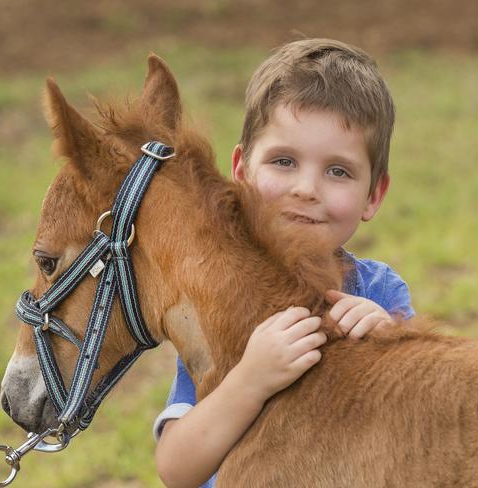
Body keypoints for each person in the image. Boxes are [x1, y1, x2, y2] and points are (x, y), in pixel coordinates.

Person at [154, 38, 414, 488]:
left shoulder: (379, 292)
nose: (306, 188)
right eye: (284, 161)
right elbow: (177, 470)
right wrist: (249, 381)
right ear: (241, 169)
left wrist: (392, 347)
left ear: (374, 195)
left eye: (338, 171)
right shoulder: (219, 301)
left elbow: (425, 433)